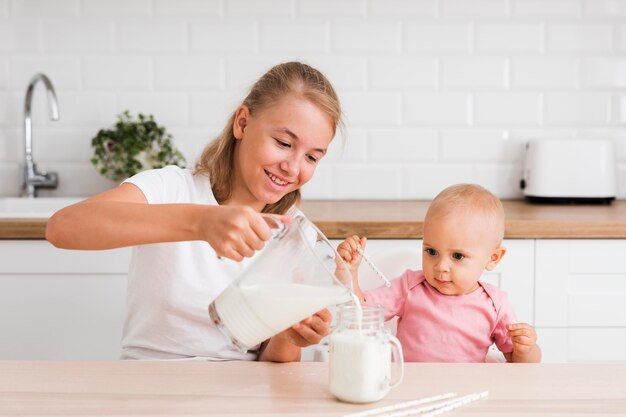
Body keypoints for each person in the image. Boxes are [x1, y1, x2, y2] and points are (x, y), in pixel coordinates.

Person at [46, 61, 342, 362]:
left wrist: (288, 336)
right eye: (283, 143)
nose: (292, 167)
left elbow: (271, 367)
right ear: (242, 123)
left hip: (237, 398)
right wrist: (201, 222)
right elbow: (63, 227)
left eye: (311, 157)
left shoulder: (295, 236)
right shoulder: (169, 188)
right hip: (150, 386)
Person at [337, 184, 541, 363]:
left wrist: (526, 350)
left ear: (492, 258)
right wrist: (350, 272)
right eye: (431, 252)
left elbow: (516, 361)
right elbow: (360, 315)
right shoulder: (409, 287)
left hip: (464, 393)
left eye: (458, 256)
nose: (441, 266)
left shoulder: (495, 304)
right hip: (408, 387)